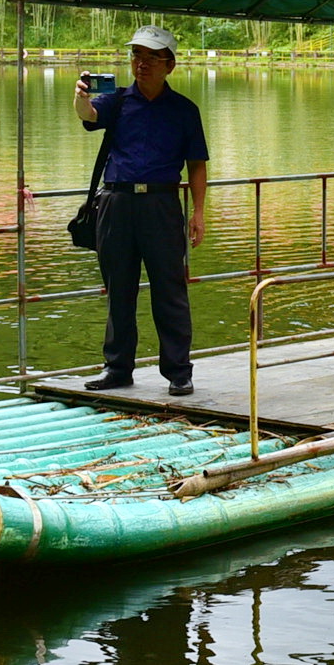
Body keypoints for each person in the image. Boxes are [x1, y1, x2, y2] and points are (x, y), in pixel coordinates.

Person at [79, 25, 209, 395]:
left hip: (161, 205)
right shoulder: (116, 101)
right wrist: (80, 98)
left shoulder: (184, 110)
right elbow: (88, 115)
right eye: (136, 55)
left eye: (151, 57)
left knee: (169, 289)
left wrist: (199, 213)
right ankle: (117, 368)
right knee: (119, 288)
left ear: (169, 64)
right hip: (116, 203)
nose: (142, 64)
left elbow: (197, 164)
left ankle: (179, 372)